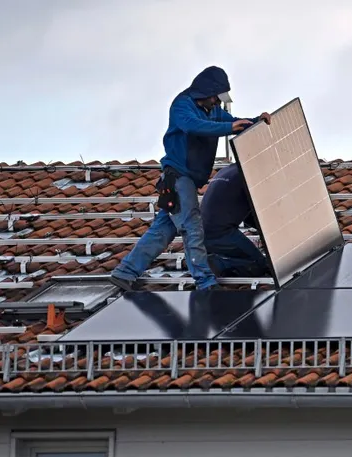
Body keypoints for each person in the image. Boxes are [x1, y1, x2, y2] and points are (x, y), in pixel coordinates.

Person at [109, 66, 271, 292]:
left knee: (162, 231)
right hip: (177, 178)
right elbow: (193, 126)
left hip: (189, 182)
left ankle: (125, 272)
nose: (217, 102)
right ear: (205, 91)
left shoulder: (212, 111)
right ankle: (205, 282)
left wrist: (255, 121)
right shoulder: (182, 105)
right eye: (215, 96)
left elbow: (233, 122)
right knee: (193, 228)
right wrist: (228, 126)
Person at [201, 162, 271, 278]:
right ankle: (218, 264)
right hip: (220, 233)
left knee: (246, 257)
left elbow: (247, 214)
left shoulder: (226, 171)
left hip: (202, 231)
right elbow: (257, 210)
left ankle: (217, 263)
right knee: (261, 265)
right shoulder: (248, 176)